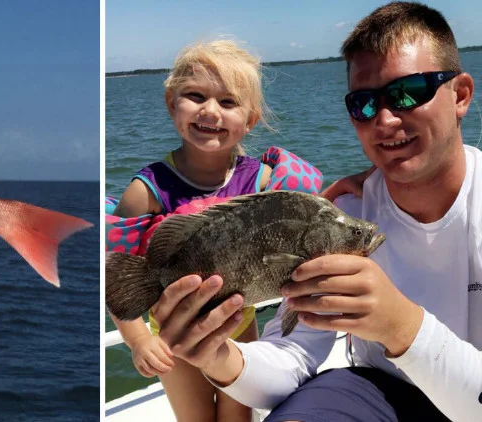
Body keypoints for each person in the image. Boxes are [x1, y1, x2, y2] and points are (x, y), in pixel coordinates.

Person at [151, 2, 480, 421]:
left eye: (407, 92)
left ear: (461, 95)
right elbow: (293, 352)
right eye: (362, 103)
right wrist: (219, 355)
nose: (383, 119)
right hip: (377, 393)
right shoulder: (345, 213)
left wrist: (402, 328)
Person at [108, 38, 281, 422]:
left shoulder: (264, 182)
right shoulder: (147, 190)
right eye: (196, 95)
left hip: (240, 324)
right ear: (172, 103)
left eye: (228, 102)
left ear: (250, 120)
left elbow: (303, 223)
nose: (210, 111)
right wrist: (138, 340)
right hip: (172, 333)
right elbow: (118, 275)